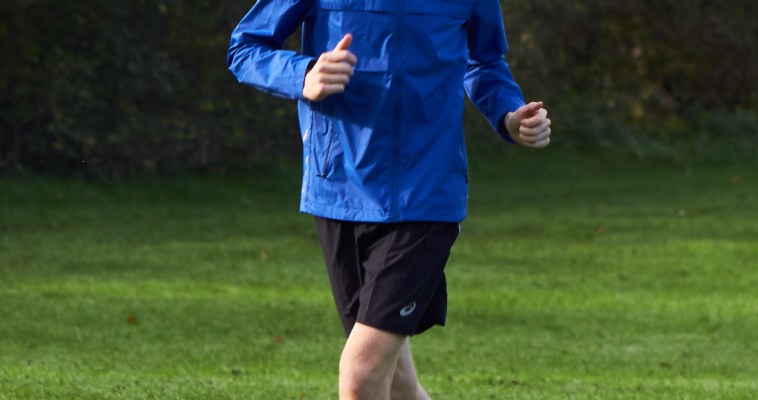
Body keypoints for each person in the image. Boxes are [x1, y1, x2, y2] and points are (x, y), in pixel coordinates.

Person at [227, 1, 552, 398]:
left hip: (427, 193)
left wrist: (510, 114)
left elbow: (484, 61)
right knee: (397, 381)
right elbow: (246, 48)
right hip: (338, 189)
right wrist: (304, 74)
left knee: (361, 375)